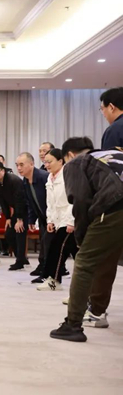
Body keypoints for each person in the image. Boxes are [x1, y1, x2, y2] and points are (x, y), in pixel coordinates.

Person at [50, 137, 123, 342]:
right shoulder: (113, 155)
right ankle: (97, 312)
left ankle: (72, 324)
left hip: (115, 206)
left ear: (69, 155)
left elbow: (80, 201)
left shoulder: (76, 162)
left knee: (84, 262)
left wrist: (81, 238)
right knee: (108, 258)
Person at [37, 149, 76, 291]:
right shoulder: (50, 178)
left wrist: (71, 221)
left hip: (69, 219)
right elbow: (50, 203)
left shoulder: (68, 175)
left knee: (57, 248)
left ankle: (53, 280)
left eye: (50, 162)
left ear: (60, 161)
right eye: (45, 162)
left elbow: (74, 200)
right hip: (58, 220)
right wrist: (50, 220)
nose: (46, 165)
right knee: (75, 252)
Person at [0, 161, 30, 271]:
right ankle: (22, 258)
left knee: (20, 233)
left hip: (26, 209)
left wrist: (19, 219)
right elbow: (2, 201)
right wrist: (8, 218)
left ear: (3, 170)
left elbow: (20, 200)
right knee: (9, 234)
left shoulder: (13, 180)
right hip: (16, 210)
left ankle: (20, 261)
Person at [16, 152, 50, 277]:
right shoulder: (25, 181)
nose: (19, 168)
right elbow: (30, 202)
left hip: (53, 216)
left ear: (31, 164)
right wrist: (31, 220)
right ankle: (43, 266)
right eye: (17, 165)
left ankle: (48, 270)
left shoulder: (44, 177)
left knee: (49, 243)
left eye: (21, 165)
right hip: (42, 217)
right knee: (44, 241)